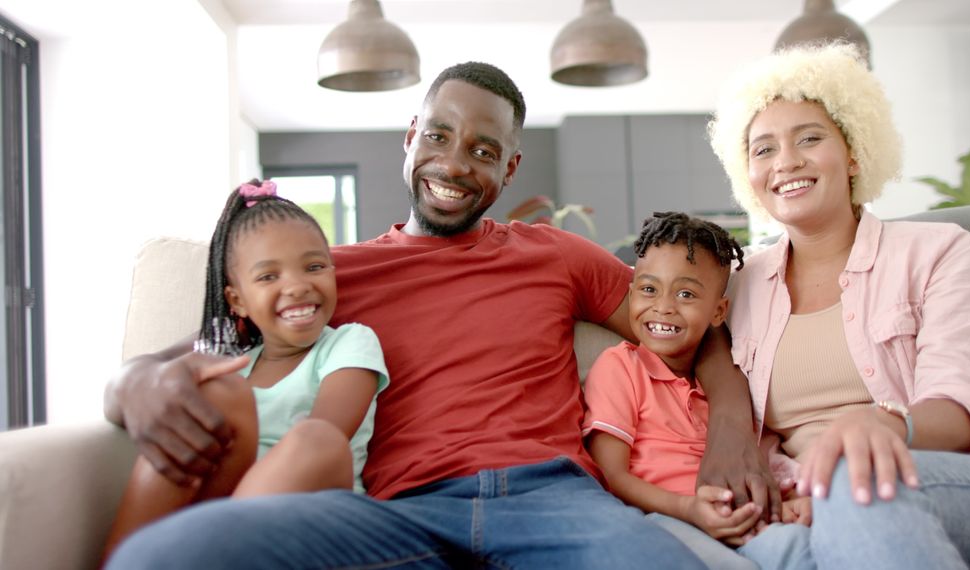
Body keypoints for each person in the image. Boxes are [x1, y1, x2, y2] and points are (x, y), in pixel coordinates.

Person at [104, 62, 776, 569]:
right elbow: (201, 349)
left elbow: (686, 323)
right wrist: (132, 382)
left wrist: (730, 424)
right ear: (410, 138)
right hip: (400, 514)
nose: (454, 163)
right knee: (168, 553)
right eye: (439, 135)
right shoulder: (330, 274)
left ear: (509, 168)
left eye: (483, 150)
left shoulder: (555, 254)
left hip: (557, 503)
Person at [704, 42, 970, 568]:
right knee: (794, 537)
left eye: (809, 138)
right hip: (820, 499)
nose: (786, 161)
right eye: (763, 149)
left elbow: (964, 411)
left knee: (857, 481)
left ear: (854, 152)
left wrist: (882, 426)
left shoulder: (937, 251)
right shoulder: (739, 287)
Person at [102, 181, 389, 562]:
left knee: (317, 439)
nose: (297, 286)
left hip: (315, 515)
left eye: (315, 267)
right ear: (237, 301)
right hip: (220, 508)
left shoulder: (349, 342)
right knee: (215, 394)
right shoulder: (228, 357)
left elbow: (330, 434)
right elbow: (132, 386)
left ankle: (215, 552)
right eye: (269, 276)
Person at [583, 212, 811, 570]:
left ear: (718, 312)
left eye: (686, 294)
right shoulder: (620, 367)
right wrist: (689, 509)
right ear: (631, 294)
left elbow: (759, 459)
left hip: (739, 517)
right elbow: (611, 475)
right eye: (648, 289)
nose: (663, 307)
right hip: (666, 518)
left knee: (797, 547)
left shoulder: (730, 381)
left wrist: (788, 501)